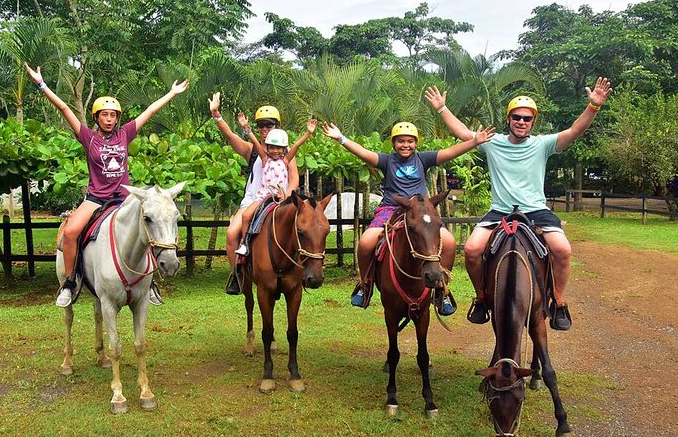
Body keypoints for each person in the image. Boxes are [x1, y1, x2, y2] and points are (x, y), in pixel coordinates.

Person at [424, 77, 612, 330]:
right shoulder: (491, 142)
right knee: (471, 249)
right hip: (500, 211)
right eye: (516, 117)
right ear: (509, 119)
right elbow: (462, 133)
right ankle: (481, 298)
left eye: (527, 118)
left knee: (562, 249)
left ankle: (558, 300)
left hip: (536, 211)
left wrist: (594, 107)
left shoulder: (543, 144)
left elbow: (574, 131)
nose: (521, 122)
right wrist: (442, 109)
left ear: (533, 121)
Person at [24, 62, 189, 307]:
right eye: (104, 114)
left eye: (113, 115)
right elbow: (63, 107)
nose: (109, 119)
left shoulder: (126, 133)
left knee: (148, 229)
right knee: (70, 233)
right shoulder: (87, 137)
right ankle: (70, 283)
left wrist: (172, 93)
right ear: (96, 117)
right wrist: (40, 83)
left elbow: (150, 111)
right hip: (96, 198)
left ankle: (149, 282)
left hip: (125, 198)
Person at [321, 120, 495, 310]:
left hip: (420, 211)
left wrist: (474, 142)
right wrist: (341, 138)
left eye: (410, 141)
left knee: (450, 242)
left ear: (416, 143)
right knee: (366, 242)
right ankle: (365, 284)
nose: (405, 145)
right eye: (400, 141)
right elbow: (364, 153)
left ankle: (441, 288)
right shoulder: (387, 160)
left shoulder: (423, 159)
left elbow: (449, 152)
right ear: (394, 143)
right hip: (390, 208)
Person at [207, 93, 299, 294]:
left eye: (269, 125)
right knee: (232, 234)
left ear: (277, 126)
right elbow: (230, 136)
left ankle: (302, 269)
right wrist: (216, 114)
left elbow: (294, 180)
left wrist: (288, 195)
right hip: (253, 201)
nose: (264, 129)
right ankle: (237, 277)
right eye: (261, 125)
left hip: (281, 201)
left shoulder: (286, 152)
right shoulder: (253, 151)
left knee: (305, 230)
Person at [234, 115, 317, 256]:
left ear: (284, 149)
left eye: (279, 148)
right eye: (272, 148)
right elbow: (254, 141)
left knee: (293, 218)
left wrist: (308, 133)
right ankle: (245, 243)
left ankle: (296, 247)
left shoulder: (285, 161)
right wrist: (246, 128)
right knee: (246, 215)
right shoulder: (265, 159)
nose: (275, 151)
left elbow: (296, 145)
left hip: (280, 197)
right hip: (263, 196)